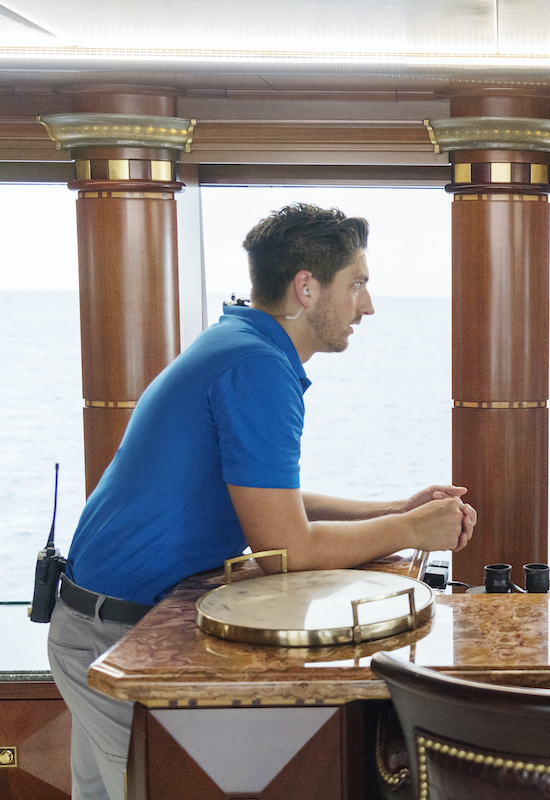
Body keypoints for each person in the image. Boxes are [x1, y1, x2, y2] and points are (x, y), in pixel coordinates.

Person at [47, 203, 476, 800]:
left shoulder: (240, 342)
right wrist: (411, 531)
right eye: (357, 284)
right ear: (306, 287)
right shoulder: (257, 365)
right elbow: (285, 550)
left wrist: (393, 510)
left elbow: (273, 505)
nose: (368, 306)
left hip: (102, 619)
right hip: (118, 634)